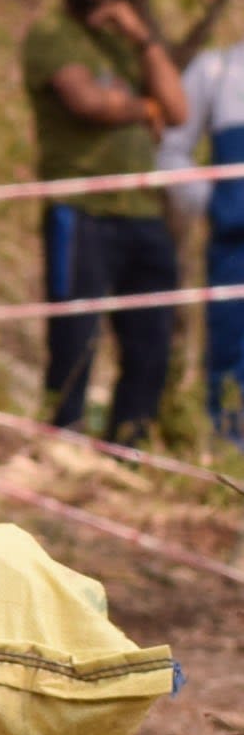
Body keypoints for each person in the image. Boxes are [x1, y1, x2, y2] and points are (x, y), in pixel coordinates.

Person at [24, 0, 187, 443]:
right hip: (82, 211)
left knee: (150, 343)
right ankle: (64, 447)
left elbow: (178, 107)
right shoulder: (51, 32)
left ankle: (129, 450)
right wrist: (145, 109)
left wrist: (142, 37)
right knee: (75, 342)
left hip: (142, 214)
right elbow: (86, 102)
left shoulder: (123, 38)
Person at [160, 37, 244, 443]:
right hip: (234, 248)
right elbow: (171, 150)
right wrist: (216, 204)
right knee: (230, 361)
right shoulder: (219, 69)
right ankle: (232, 461)